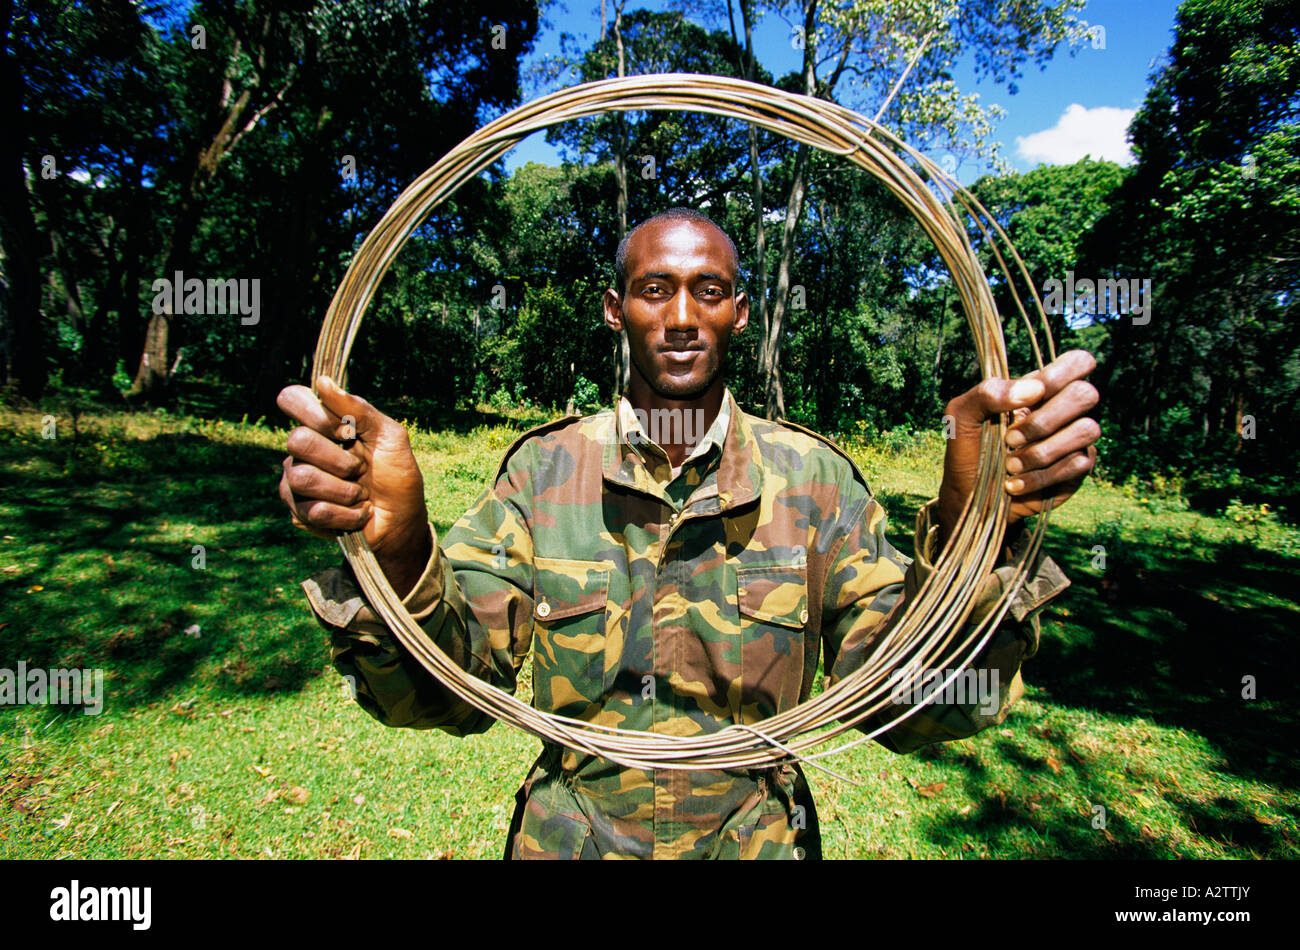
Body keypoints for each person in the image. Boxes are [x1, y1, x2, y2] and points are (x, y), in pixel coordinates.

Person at [277, 207, 1099, 859]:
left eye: (708, 290)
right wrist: (397, 548)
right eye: (654, 288)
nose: (680, 316)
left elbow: (908, 704)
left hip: (760, 842)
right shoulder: (543, 473)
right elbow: (445, 694)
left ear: (740, 313)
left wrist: (973, 531)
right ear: (615, 308)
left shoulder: (813, 482)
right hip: (573, 841)